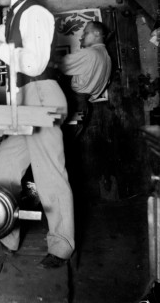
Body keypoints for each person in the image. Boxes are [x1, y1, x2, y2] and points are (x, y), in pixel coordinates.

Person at [0, 0, 74, 269]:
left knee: (49, 174)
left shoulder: (36, 14)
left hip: (41, 95)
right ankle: (6, 233)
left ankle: (61, 247)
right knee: (4, 163)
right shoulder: (14, 17)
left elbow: (32, 63)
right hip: (25, 101)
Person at [58, 20, 112, 198]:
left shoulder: (90, 54)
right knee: (67, 150)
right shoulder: (106, 56)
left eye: (86, 33)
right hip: (85, 105)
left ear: (97, 34)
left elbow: (60, 64)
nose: (82, 36)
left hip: (75, 102)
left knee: (59, 152)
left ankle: (60, 196)